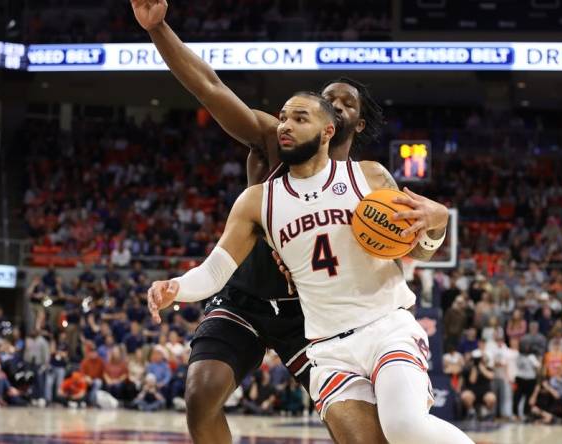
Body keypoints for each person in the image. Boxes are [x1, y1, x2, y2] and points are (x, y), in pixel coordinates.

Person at [130, 0, 390, 442]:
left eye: (345, 104)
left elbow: (391, 253)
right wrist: (158, 30)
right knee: (200, 393)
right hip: (245, 296)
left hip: (314, 314)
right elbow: (210, 88)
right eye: (326, 99)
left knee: (357, 427)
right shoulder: (275, 138)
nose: (333, 106)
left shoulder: (367, 182)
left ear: (355, 124)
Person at [147, 92, 471, 443]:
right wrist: (176, 286)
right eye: (283, 117)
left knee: (404, 426)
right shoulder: (258, 201)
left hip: (385, 327)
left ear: (328, 131)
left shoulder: (369, 177)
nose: (286, 125)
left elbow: (418, 249)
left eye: (300, 118)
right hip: (328, 349)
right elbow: (214, 271)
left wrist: (437, 225)